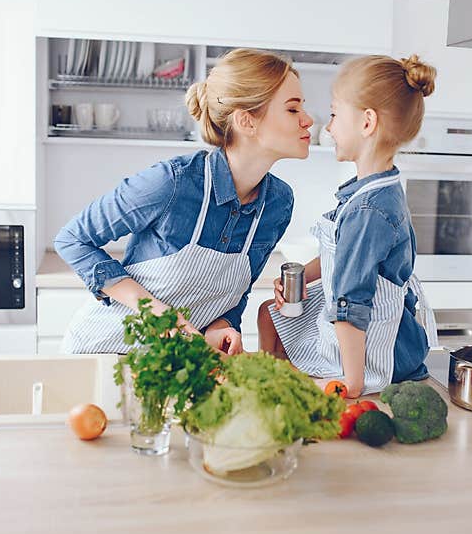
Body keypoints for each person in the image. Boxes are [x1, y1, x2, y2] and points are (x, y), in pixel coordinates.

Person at [55, 48, 313, 355]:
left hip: (181, 365)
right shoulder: (173, 182)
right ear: (247, 121)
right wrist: (157, 314)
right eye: (293, 110)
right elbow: (72, 239)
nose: (308, 120)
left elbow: (233, 295)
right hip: (103, 353)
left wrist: (221, 327)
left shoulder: (277, 205)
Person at [259, 54, 438, 398]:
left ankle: (287, 381)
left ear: (367, 122)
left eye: (335, 114)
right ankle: (282, 377)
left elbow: (349, 302)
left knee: (277, 329)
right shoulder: (373, 191)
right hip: (376, 332)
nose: (327, 126)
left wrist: (352, 382)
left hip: (381, 353)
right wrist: (300, 276)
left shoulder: (369, 210)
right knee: (269, 314)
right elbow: (342, 257)